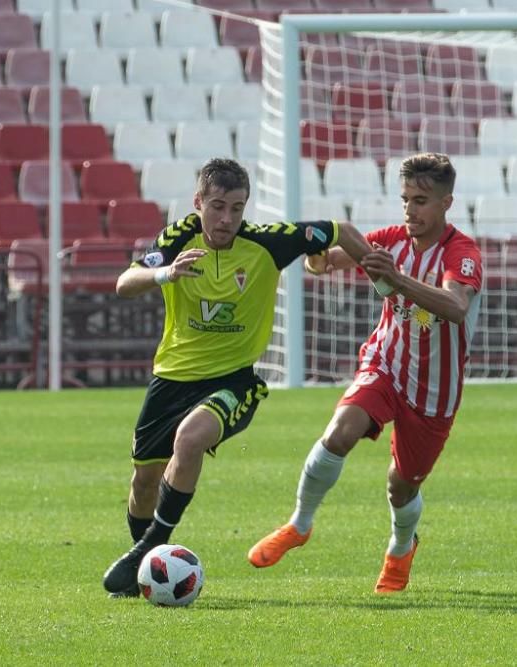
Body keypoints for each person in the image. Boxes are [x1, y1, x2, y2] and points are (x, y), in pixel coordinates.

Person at [102, 158, 379, 597]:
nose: (227, 218)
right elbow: (124, 282)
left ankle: (153, 545)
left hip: (234, 381)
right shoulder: (177, 238)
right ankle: (146, 560)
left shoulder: (268, 243)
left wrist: (385, 281)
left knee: (190, 440)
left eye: (236, 207)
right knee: (143, 483)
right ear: (198, 203)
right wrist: (165, 273)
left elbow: (340, 230)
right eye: (217, 206)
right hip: (171, 378)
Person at [247, 153, 483, 593]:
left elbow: (455, 307)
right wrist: (316, 252)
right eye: (406, 199)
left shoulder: (462, 252)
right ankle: (299, 524)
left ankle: (400, 546)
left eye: (422, 200)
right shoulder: (389, 239)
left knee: (401, 488)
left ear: (446, 203)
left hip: (435, 391)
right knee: (340, 431)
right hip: (386, 365)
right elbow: (327, 261)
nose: (411, 210)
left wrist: (396, 280)